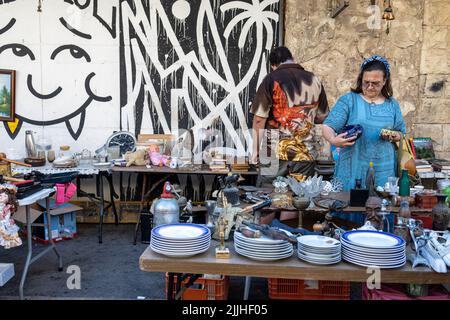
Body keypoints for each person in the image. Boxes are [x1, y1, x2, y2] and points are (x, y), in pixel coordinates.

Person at [323, 55, 406, 191]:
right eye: (366, 82)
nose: (370, 86)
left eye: (375, 83)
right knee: (351, 205)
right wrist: (333, 139)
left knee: (380, 208)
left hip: (383, 170)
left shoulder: (392, 105)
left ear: (385, 81)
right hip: (352, 168)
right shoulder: (349, 100)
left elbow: (401, 133)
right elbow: (328, 126)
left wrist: (393, 135)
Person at [250, 46, 329, 186]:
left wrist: (255, 150)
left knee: (268, 195)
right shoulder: (314, 80)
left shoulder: (271, 79)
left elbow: (259, 119)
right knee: (302, 196)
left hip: (273, 150)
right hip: (305, 150)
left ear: (273, 65)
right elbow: (322, 117)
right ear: (292, 58)